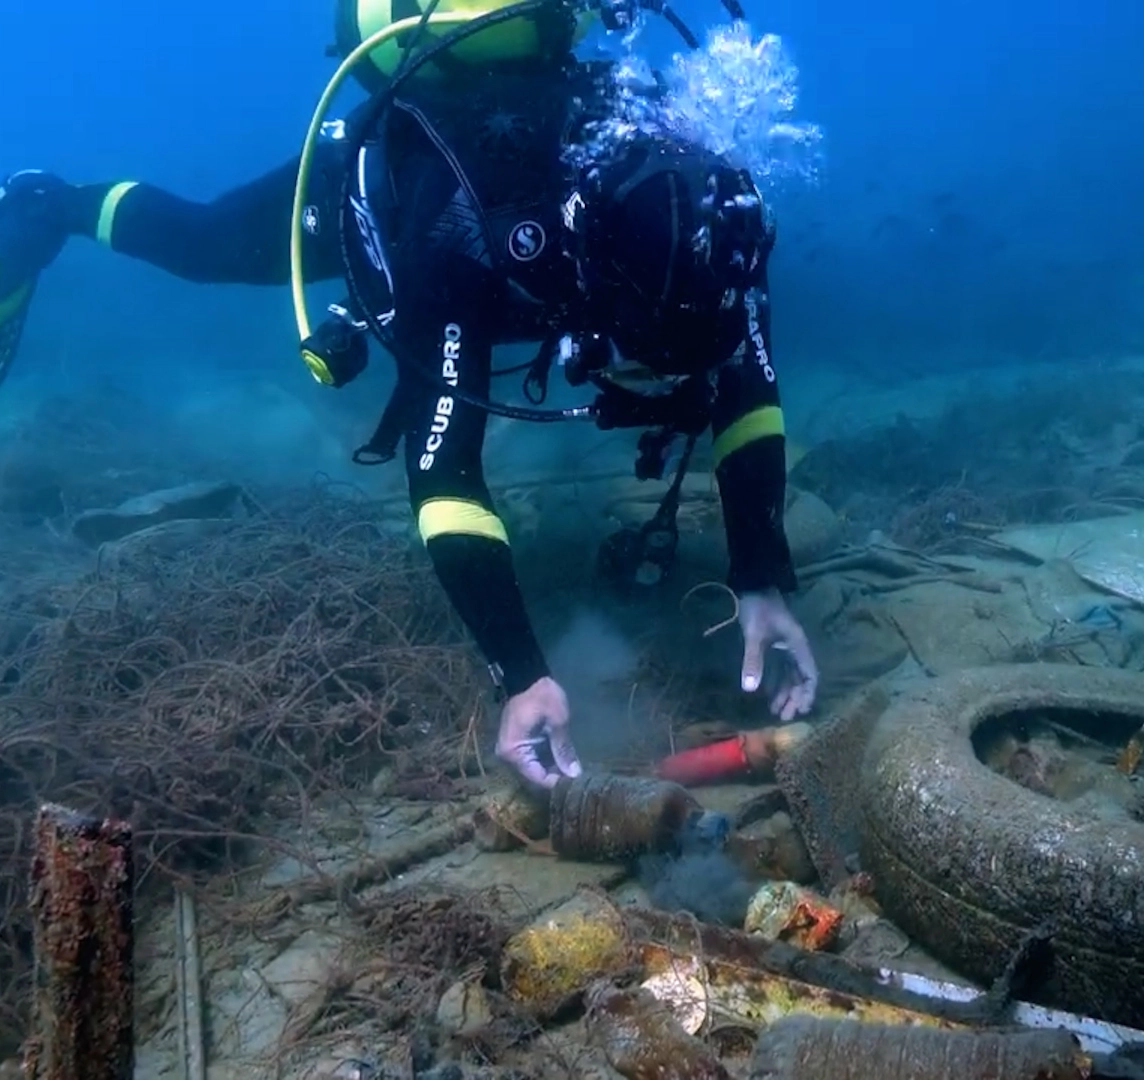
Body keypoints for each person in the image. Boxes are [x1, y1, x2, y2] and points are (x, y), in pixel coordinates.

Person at [0, 0, 819, 790]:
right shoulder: (460, 238)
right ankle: (53, 204)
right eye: (646, 361)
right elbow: (444, 469)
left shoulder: (717, 229)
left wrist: (759, 574)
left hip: (555, 223)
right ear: (596, 289)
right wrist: (523, 676)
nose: (660, 389)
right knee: (208, 242)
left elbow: (749, 389)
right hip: (407, 191)